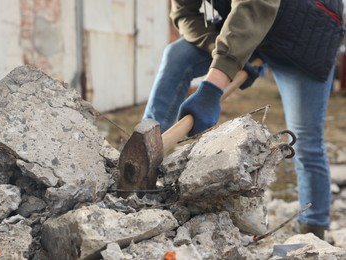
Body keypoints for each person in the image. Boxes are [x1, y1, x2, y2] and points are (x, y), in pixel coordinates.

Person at [142, 0, 344, 239]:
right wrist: (220, 53)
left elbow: (255, 4)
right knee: (176, 54)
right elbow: (185, 13)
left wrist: (211, 89)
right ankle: (144, 153)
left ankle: (313, 231)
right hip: (245, 30)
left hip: (303, 34)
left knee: (306, 141)